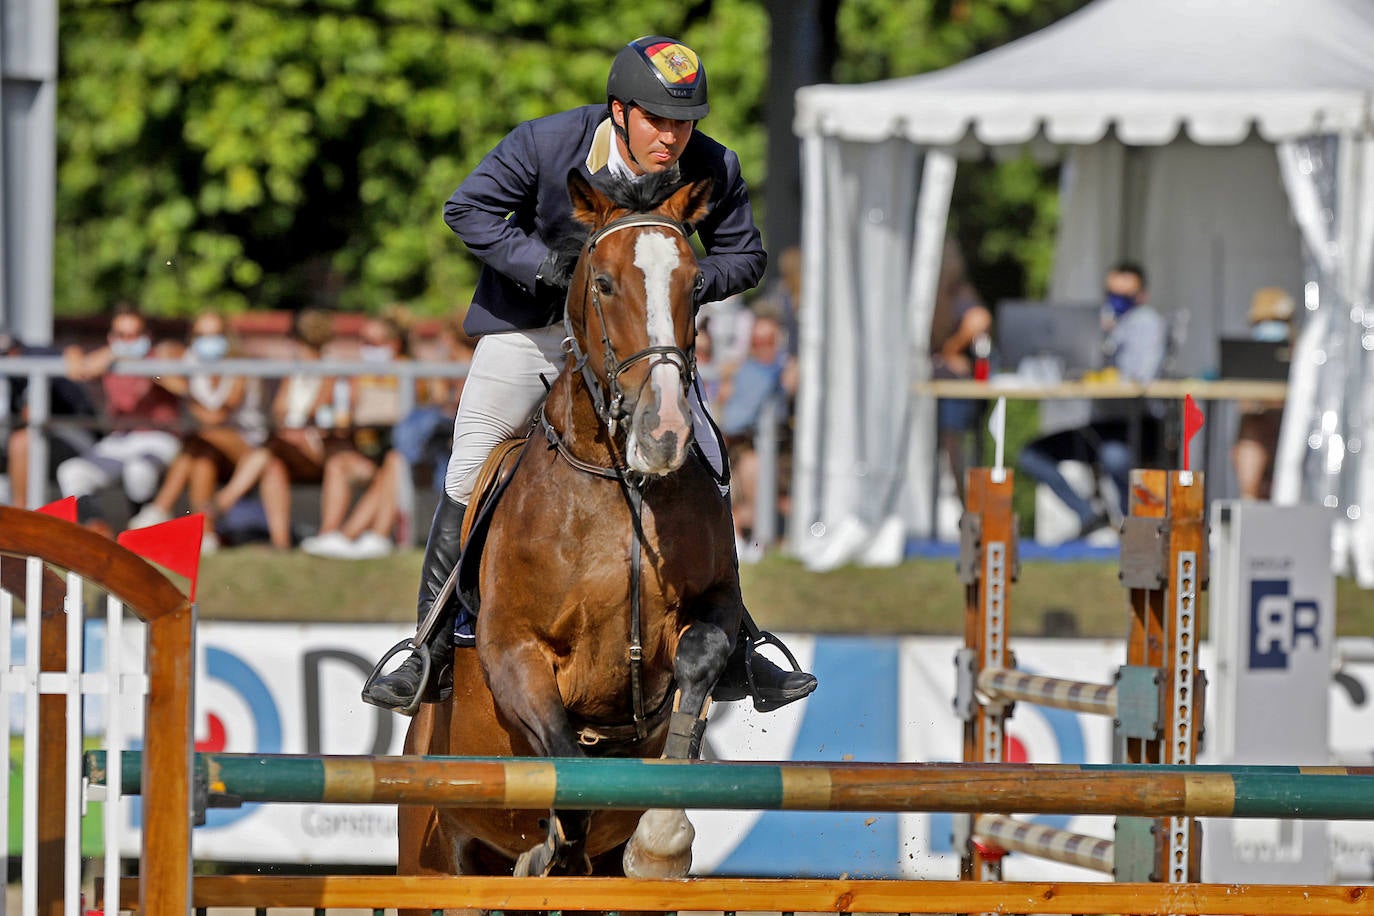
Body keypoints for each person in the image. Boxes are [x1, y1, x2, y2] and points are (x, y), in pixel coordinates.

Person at [362, 36, 816, 715]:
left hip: (638, 339)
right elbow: (469, 209)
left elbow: (744, 255)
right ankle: (429, 644)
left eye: (683, 121)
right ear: (619, 110)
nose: (672, 136)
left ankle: (738, 639)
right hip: (536, 329)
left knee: (711, 456)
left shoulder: (713, 164)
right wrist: (551, 270)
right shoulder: (547, 145)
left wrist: (674, 283)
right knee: (470, 463)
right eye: (658, 119)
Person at [1016, 262, 1168, 539]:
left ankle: (1135, 530)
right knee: (1031, 454)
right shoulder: (1092, 323)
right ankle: (1089, 515)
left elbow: (1140, 378)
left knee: (1114, 457)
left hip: (1139, 424)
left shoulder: (1149, 323)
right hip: (1100, 426)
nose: (1117, 300)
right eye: (1112, 292)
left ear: (1141, 295)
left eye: (1126, 294)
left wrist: (1108, 346)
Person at [127, 311, 265, 550]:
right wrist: (164, 359)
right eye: (201, 335)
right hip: (209, 446)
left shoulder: (240, 366)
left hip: (245, 447)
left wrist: (182, 390)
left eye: (214, 335)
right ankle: (206, 532)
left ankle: (160, 507)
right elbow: (163, 354)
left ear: (227, 337)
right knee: (202, 458)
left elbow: (218, 416)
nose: (207, 341)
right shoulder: (193, 360)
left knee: (201, 436)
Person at [204, 310, 338, 550]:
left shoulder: (330, 370)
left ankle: (221, 504)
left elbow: (315, 412)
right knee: (271, 466)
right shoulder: (295, 372)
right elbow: (279, 411)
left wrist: (292, 427)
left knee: (267, 450)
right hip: (288, 445)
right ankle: (281, 544)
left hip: (315, 449)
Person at [301, 311, 416, 559]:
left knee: (393, 463)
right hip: (370, 451)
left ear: (393, 344)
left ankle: (364, 535)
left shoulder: (412, 374)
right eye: (362, 341)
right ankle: (329, 534)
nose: (365, 349)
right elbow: (349, 415)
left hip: (406, 459)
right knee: (338, 463)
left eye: (372, 343)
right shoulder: (359, 374)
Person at [57, 304, 183, 524]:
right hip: (121, 439)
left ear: (147, 336)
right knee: (72, 472)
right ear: (111, 337)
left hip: (159, 437)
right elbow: (81, 369)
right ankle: (95, 530)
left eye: (134, 335)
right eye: (122, 335)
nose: (128, 341)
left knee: (139, 471)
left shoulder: (161, 355)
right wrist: (74, 353)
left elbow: (180, 385)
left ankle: (142, 528)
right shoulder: (110, 357)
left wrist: (147, 367)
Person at [2, 331, 98, 508]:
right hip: (46, 439)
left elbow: (72, 350)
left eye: (8, 354)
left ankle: (20, 517)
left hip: (79, 435)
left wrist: (74, 352)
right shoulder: (14, 371)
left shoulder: (36, 358)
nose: (8, 359)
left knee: (21, 442)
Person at [928, 240, 992, 503]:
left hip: (956, 387)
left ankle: (964, 504)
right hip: (929, 386)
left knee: (955, 444)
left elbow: (980, 320)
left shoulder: (959, 294)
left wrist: (951, 350)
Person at [1231, 286, 1295, 500]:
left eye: (1276, 321)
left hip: (1293, 433)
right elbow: (1245, 404)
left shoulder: (1304, 355)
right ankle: (1249, 504)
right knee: (1251, 433)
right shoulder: (1248, 359)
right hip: (1261, 434)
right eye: (1262, 323)